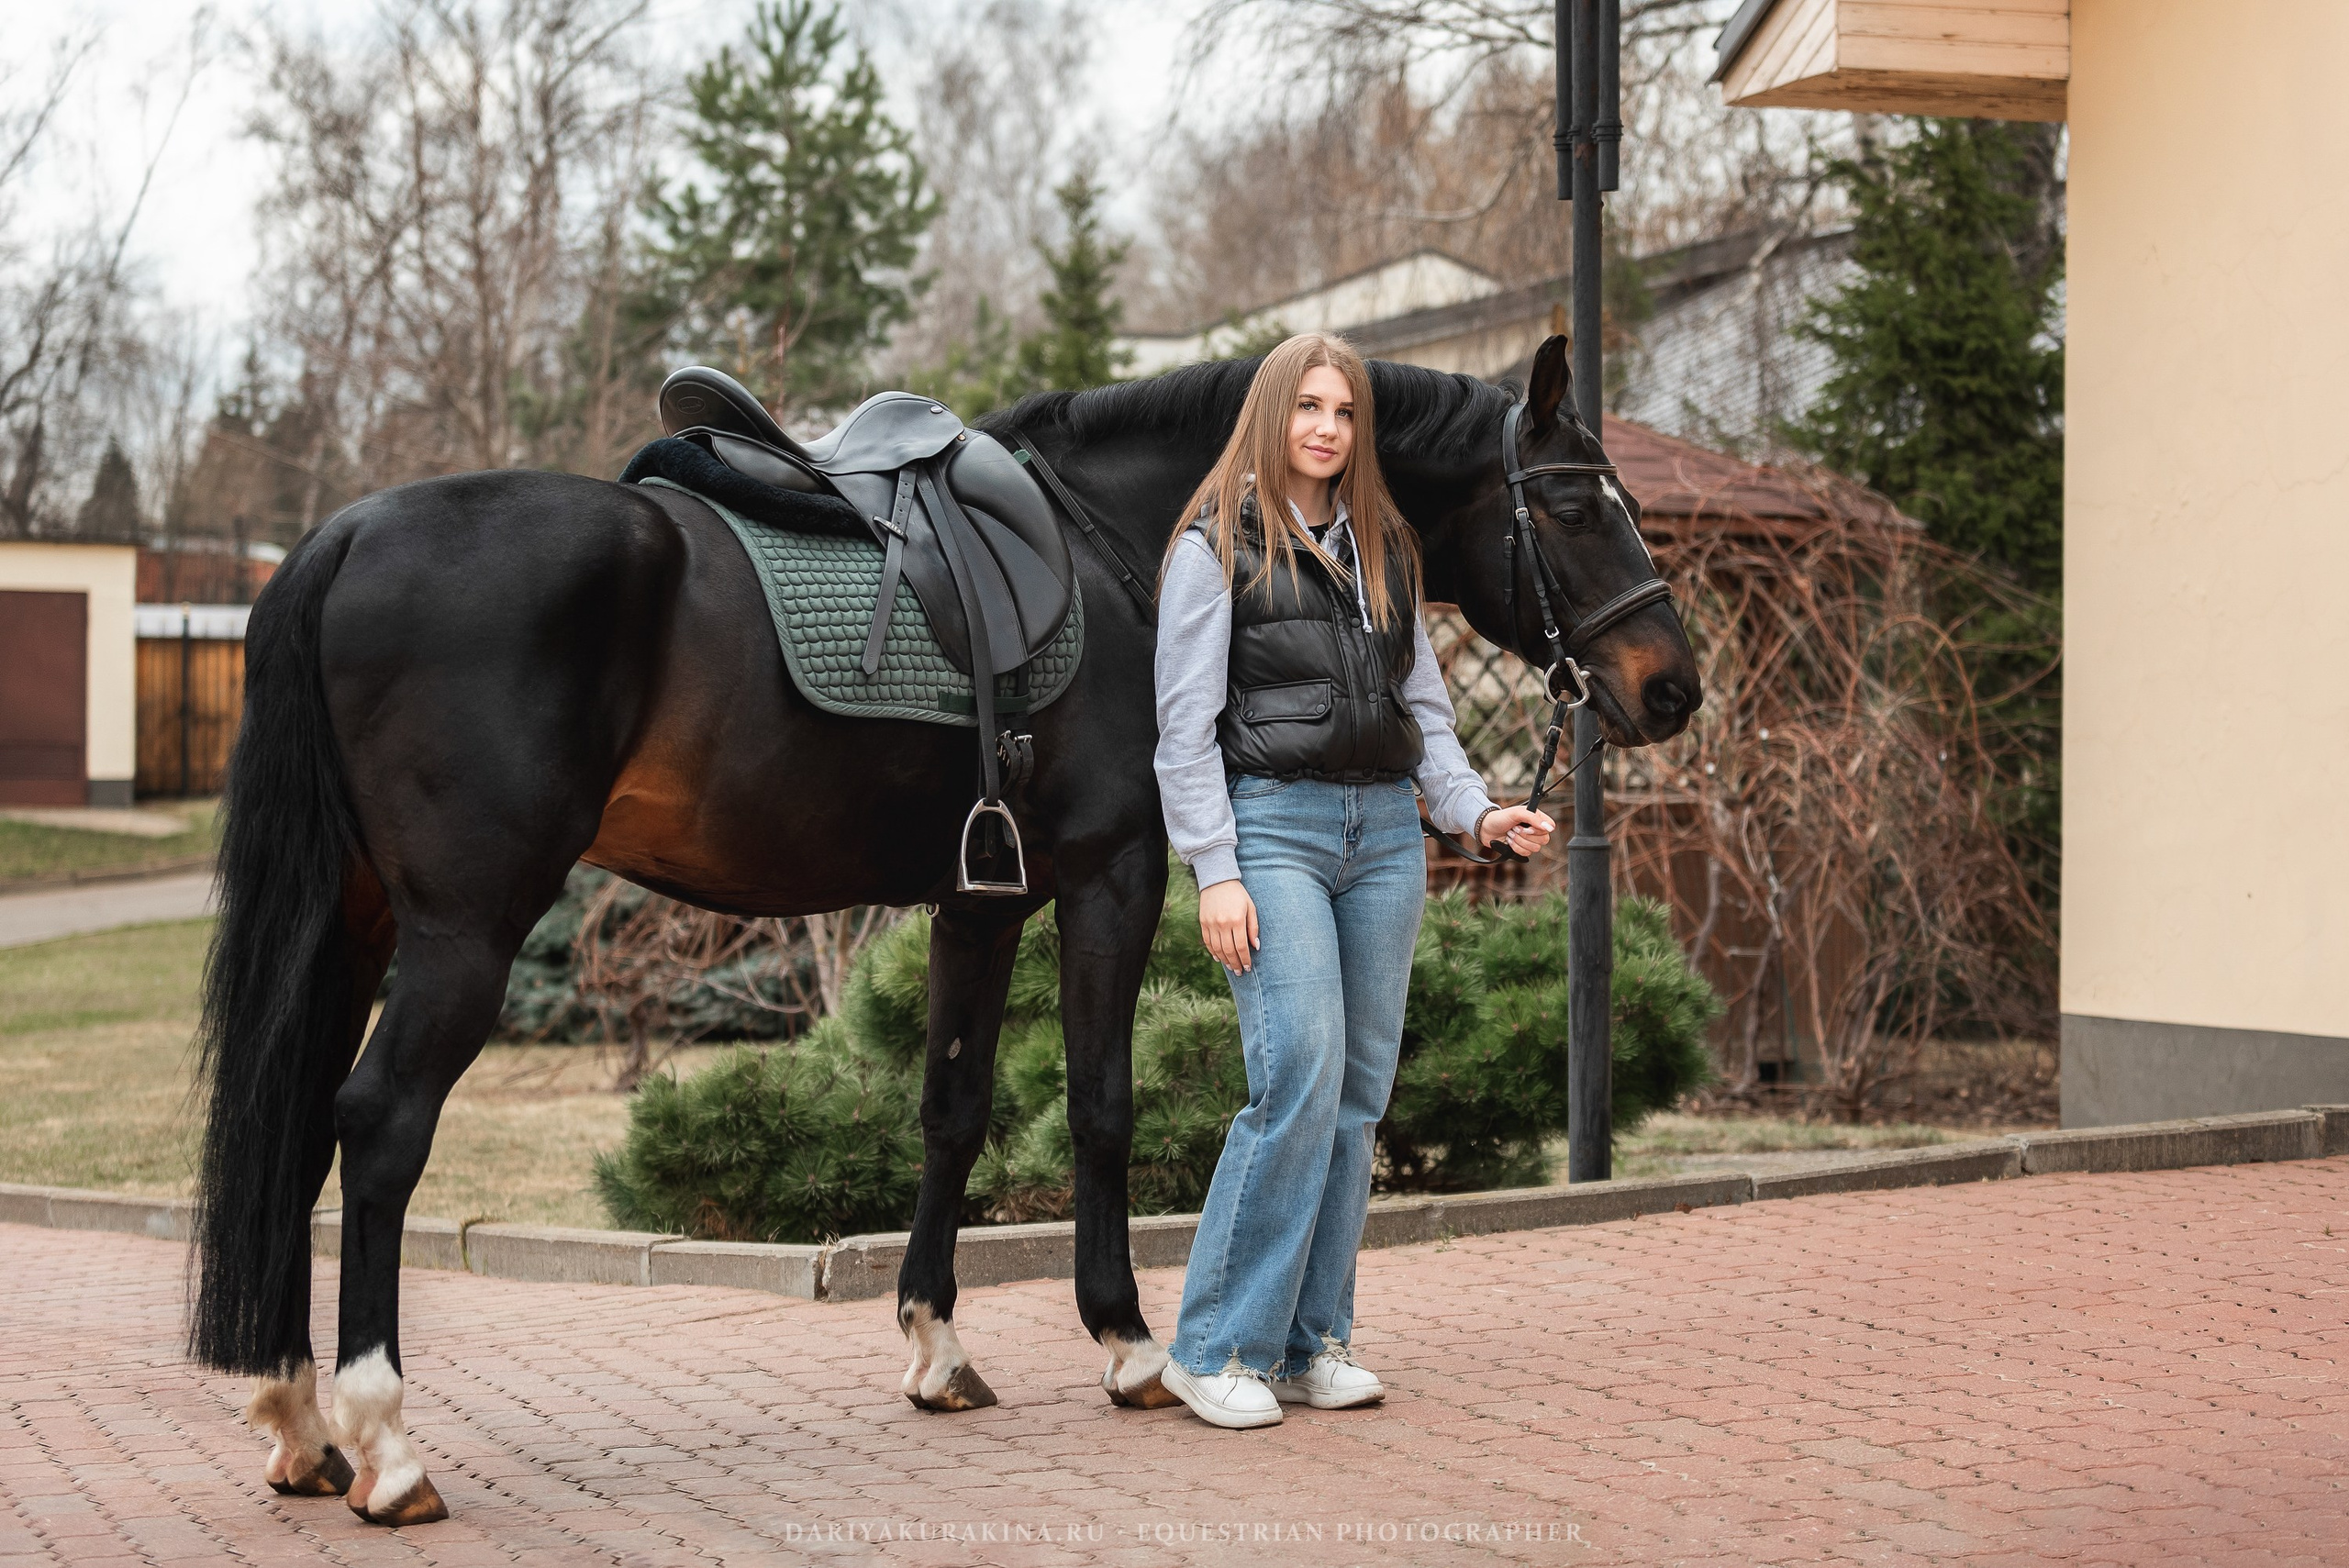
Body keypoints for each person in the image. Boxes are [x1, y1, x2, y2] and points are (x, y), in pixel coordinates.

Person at [1151, 332, 1554, 1429]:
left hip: (1383, 837)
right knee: (1297, 1076)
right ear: (1273, 415)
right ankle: (1211, 1345)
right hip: (1270, 832)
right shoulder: (1212, 544)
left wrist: (1475, 810)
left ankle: (1305, 1341)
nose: (1327, 428)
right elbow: (1181, 735)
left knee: (1355, 1096)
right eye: (1309, 407)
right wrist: (1214, 872)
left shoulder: (1388, 551)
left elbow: (1425, 715)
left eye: (1344, 413)